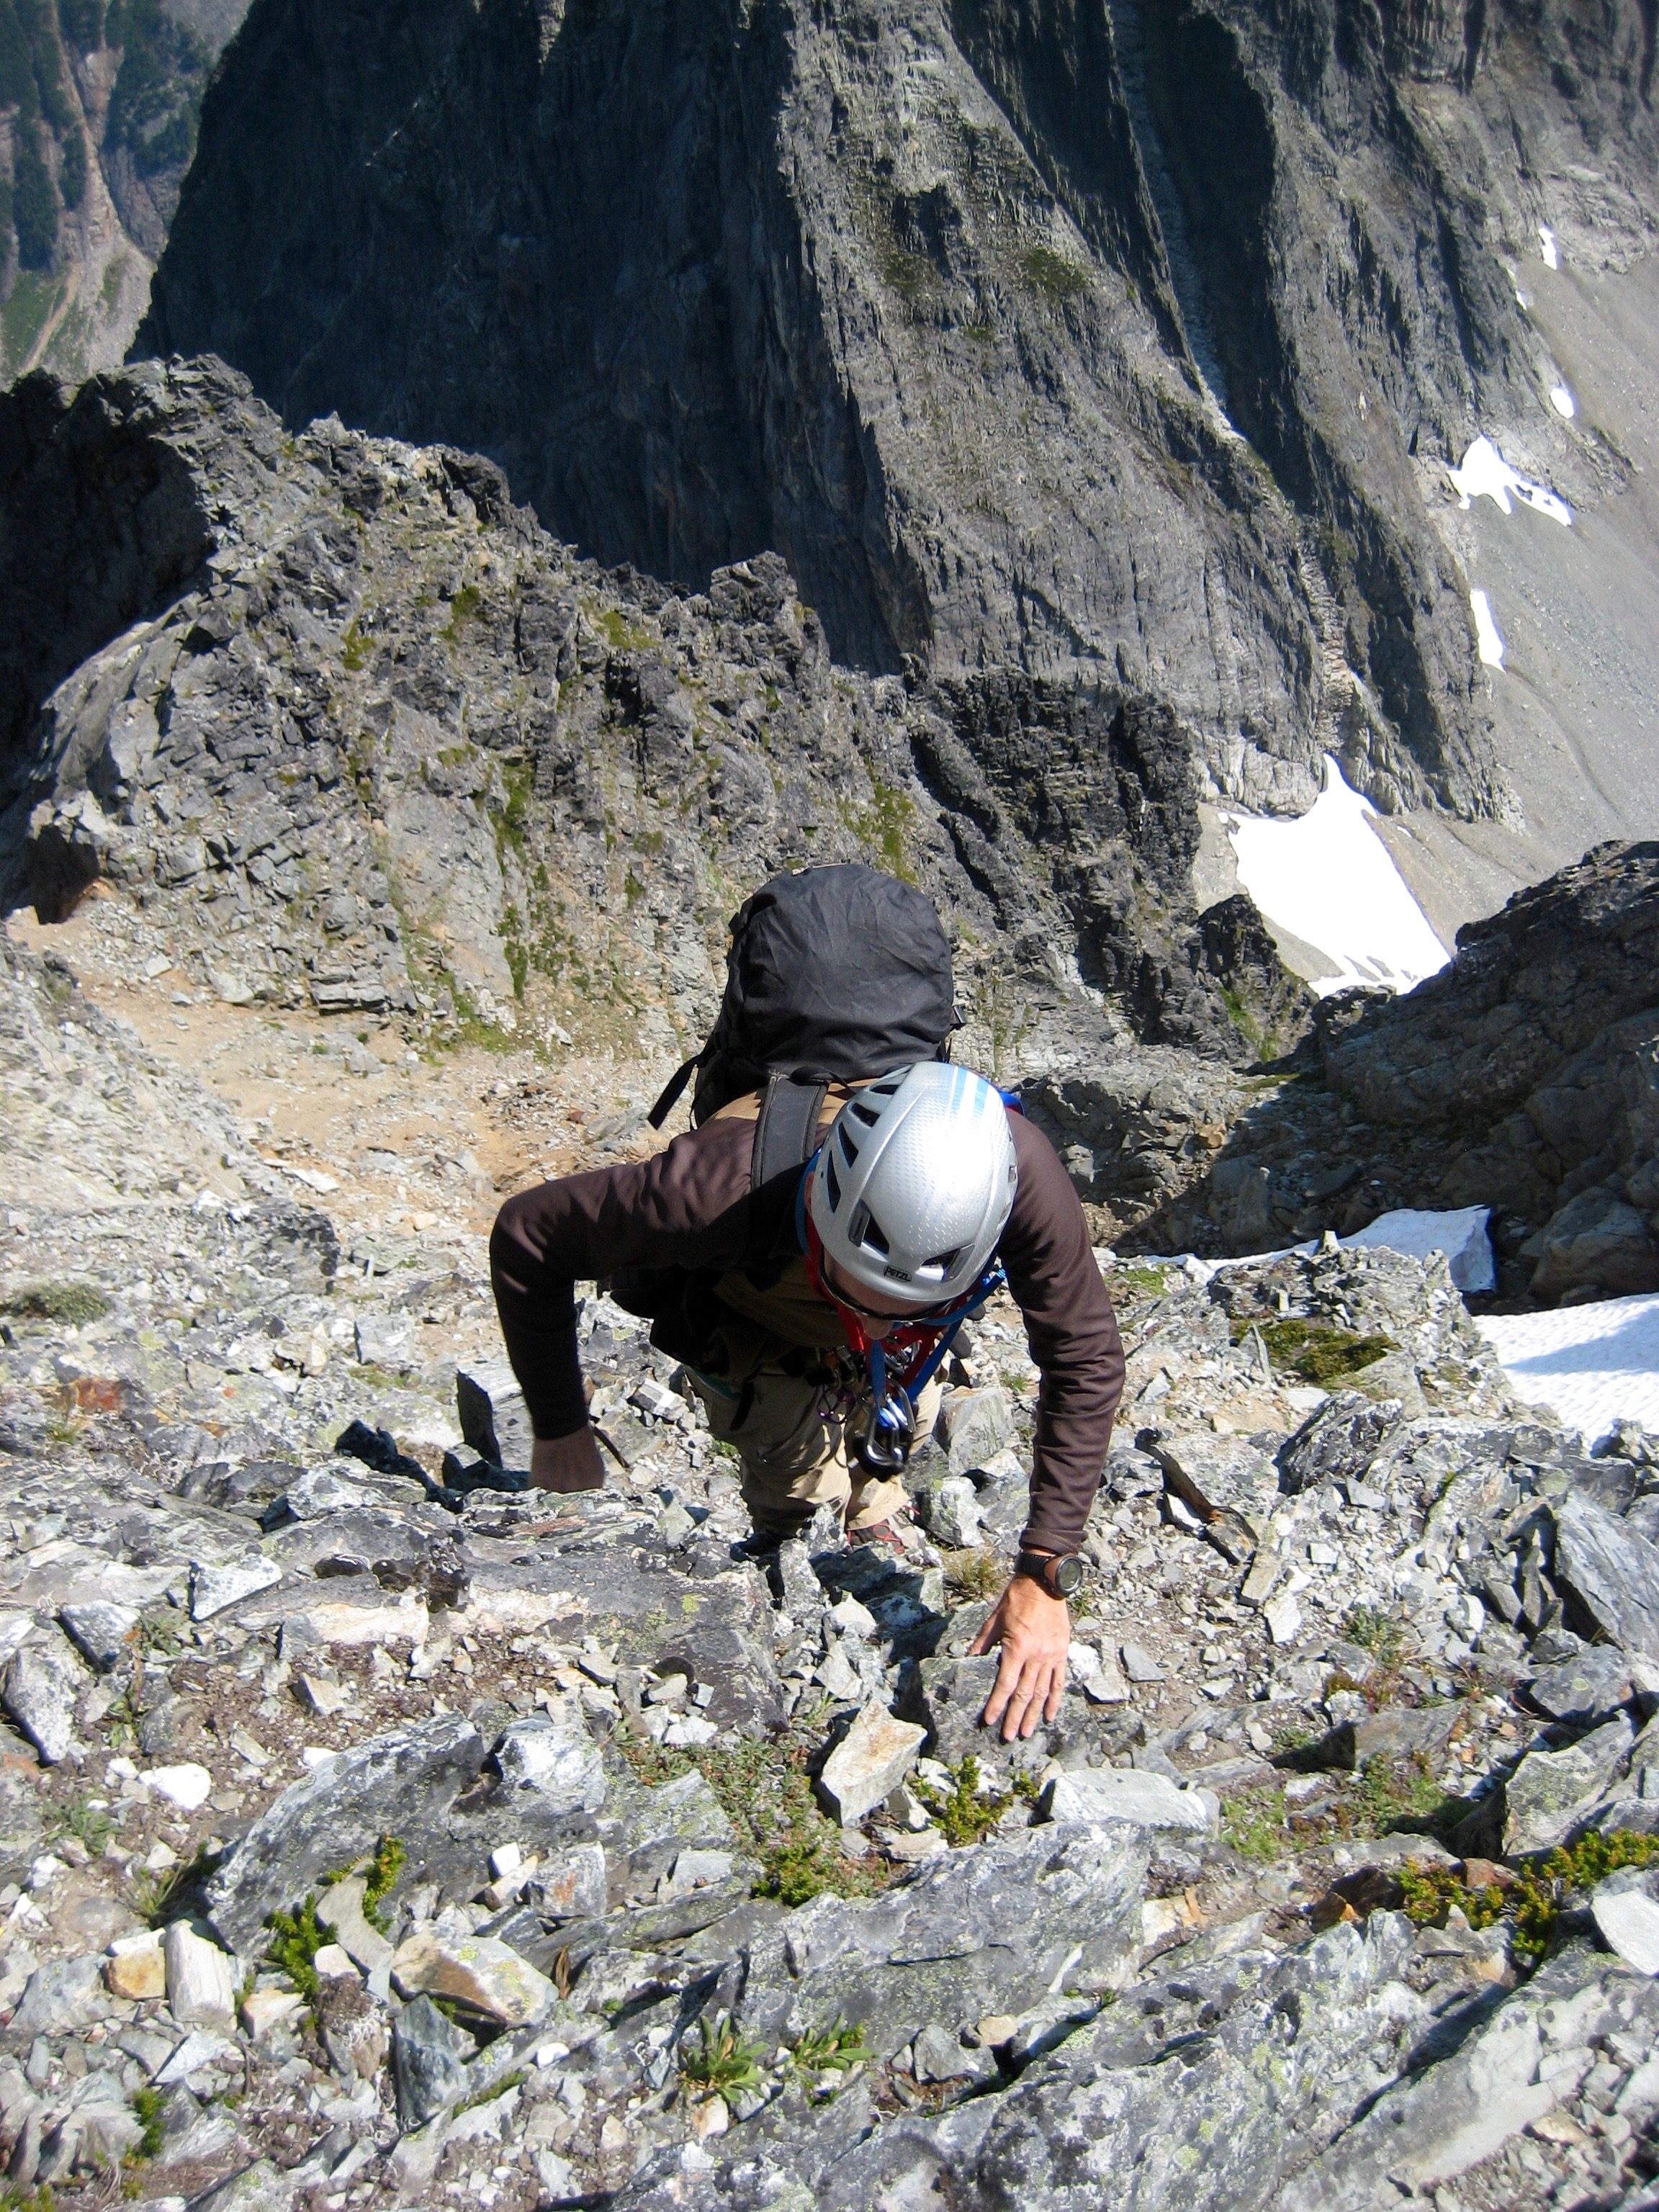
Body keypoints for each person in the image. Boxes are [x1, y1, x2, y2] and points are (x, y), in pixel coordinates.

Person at [490, 1056, 1125, 1744]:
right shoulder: (715, 1193)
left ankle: (872, 1502)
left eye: (900, 1306)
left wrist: (1046, 1567)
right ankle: (792, 1529)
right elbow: (528, 1234)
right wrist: (560, 1424)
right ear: (820, 1204)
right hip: (759, 1299)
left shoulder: (1016, 1171)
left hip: (877, 1295)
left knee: (904, 1411)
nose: (872, 1330)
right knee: (793, 1462)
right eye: (857, 1295)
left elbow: (1085, 1356)